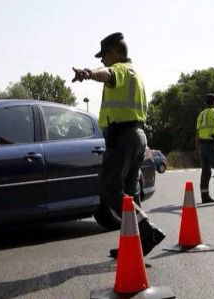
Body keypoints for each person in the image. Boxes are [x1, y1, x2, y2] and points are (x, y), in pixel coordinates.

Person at [72, 32, 165, 258]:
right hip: (137, 136)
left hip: (122, 137)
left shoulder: (122, 70)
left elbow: (108, 73)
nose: (102, 60)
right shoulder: (137, 75)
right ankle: (134, 245)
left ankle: (146, 228)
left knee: (109, 188)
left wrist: (87, 73)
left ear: (115, 51)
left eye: (104, 54)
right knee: (130, 194)